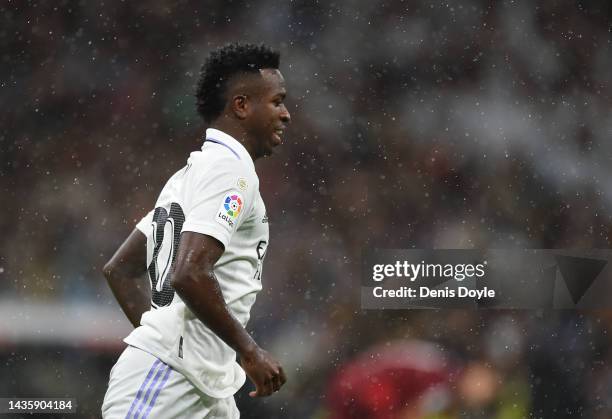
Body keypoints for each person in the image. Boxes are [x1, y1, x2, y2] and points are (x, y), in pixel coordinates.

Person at [101, 43, 291, 418]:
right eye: (277, 101)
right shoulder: (228, 171)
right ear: (241, 106)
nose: (286, 114)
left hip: (203, 385)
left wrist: (172, 341)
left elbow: (119, 270)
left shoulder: (192, 173)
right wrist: (248, 351)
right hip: (167, 383)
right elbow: (189, 273)